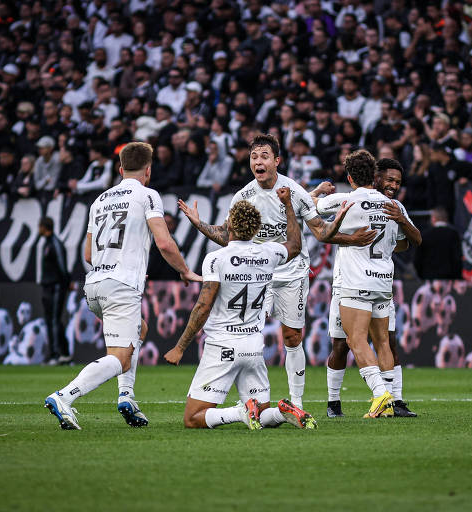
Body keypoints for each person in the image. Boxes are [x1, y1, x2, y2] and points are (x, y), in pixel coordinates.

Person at [178, 134, 374, 409]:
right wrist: (200, 224)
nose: (258, 161)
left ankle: (296, 402)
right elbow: (226, 236)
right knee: (248, 333)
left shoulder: (294, 191)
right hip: (258, 274)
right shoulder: (243, 196)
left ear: (277, 161)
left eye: (264, 156)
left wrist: (345, 231)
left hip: (292, 272)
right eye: (254, 157)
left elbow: (321, 231)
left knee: (292, 337)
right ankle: (249, 398)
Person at [45, 142, 201, 430]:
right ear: (149, 171)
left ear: (120, 169)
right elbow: (164, 243)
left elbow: (88, 255)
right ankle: (64, 396)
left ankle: (126, 397)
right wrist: (186, 271)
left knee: (138, 330)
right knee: (120, 358)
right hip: (121, 286)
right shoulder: (147, 195)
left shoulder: (100, 200)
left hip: (93, 285)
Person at [165, 191, 349, 429]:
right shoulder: (269, 253)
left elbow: (203, 306)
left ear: (230, 223)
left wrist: (179, 348)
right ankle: (282, 412)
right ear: (256, 228)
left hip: (223, 345)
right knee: (262, 415)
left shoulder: (216, 258)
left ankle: (240, 412)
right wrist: (288, 208)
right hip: (253, 347)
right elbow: (294, 244)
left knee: (192, 418)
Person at [312, 158, 422, 418]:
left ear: (349, 177)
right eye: (390, 179)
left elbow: (308, 207)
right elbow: (410, 241)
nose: (393, 185)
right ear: (375, 176)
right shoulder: (393, 205)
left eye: (398, 181)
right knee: (377, 341)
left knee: (353, 340)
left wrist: (317, 193)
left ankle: (383, 396)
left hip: (352, 283)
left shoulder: (345, 200)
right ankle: (340, 403)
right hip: (382, 282)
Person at [38, 217, 72, 365]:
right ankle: (62, 353)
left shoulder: (55, 243)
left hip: (56, 286)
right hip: (48, 286)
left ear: (44, 227)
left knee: (53, 320)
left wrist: (66, 283)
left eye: (39, 226)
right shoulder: (47, 244)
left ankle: (56, 355)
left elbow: (62, 266)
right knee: (51, 320)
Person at [415, 207, 463, 279]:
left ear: (433, 218)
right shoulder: (453, 234)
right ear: (446, 219)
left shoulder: (425, 235)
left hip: (429, 276)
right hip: (449, 277)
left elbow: (417, 259)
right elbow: (457, 258)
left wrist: (421, 275)